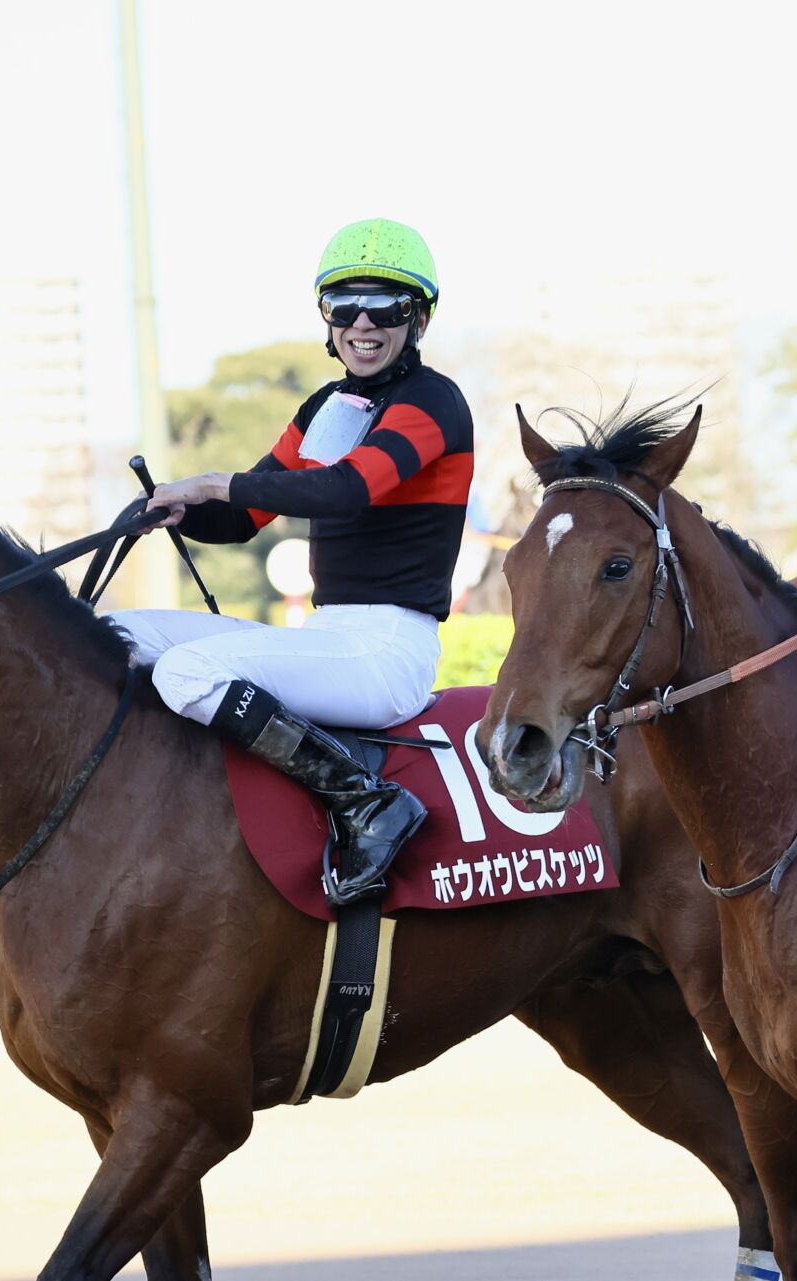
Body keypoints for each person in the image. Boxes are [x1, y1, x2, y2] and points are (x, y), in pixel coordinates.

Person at [112, 218, 473, 904]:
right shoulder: (328, 407)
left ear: (418, 318)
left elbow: (346, 490)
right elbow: (245, 516)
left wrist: (215, 481)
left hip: (387, 654)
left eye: (386, 306)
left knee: (188, 668)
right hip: (326, 639)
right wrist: (179, 509)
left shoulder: (434, 402)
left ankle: (368, 801)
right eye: (344, 306)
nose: (362, 323)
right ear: (327, 320)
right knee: (118, 634)